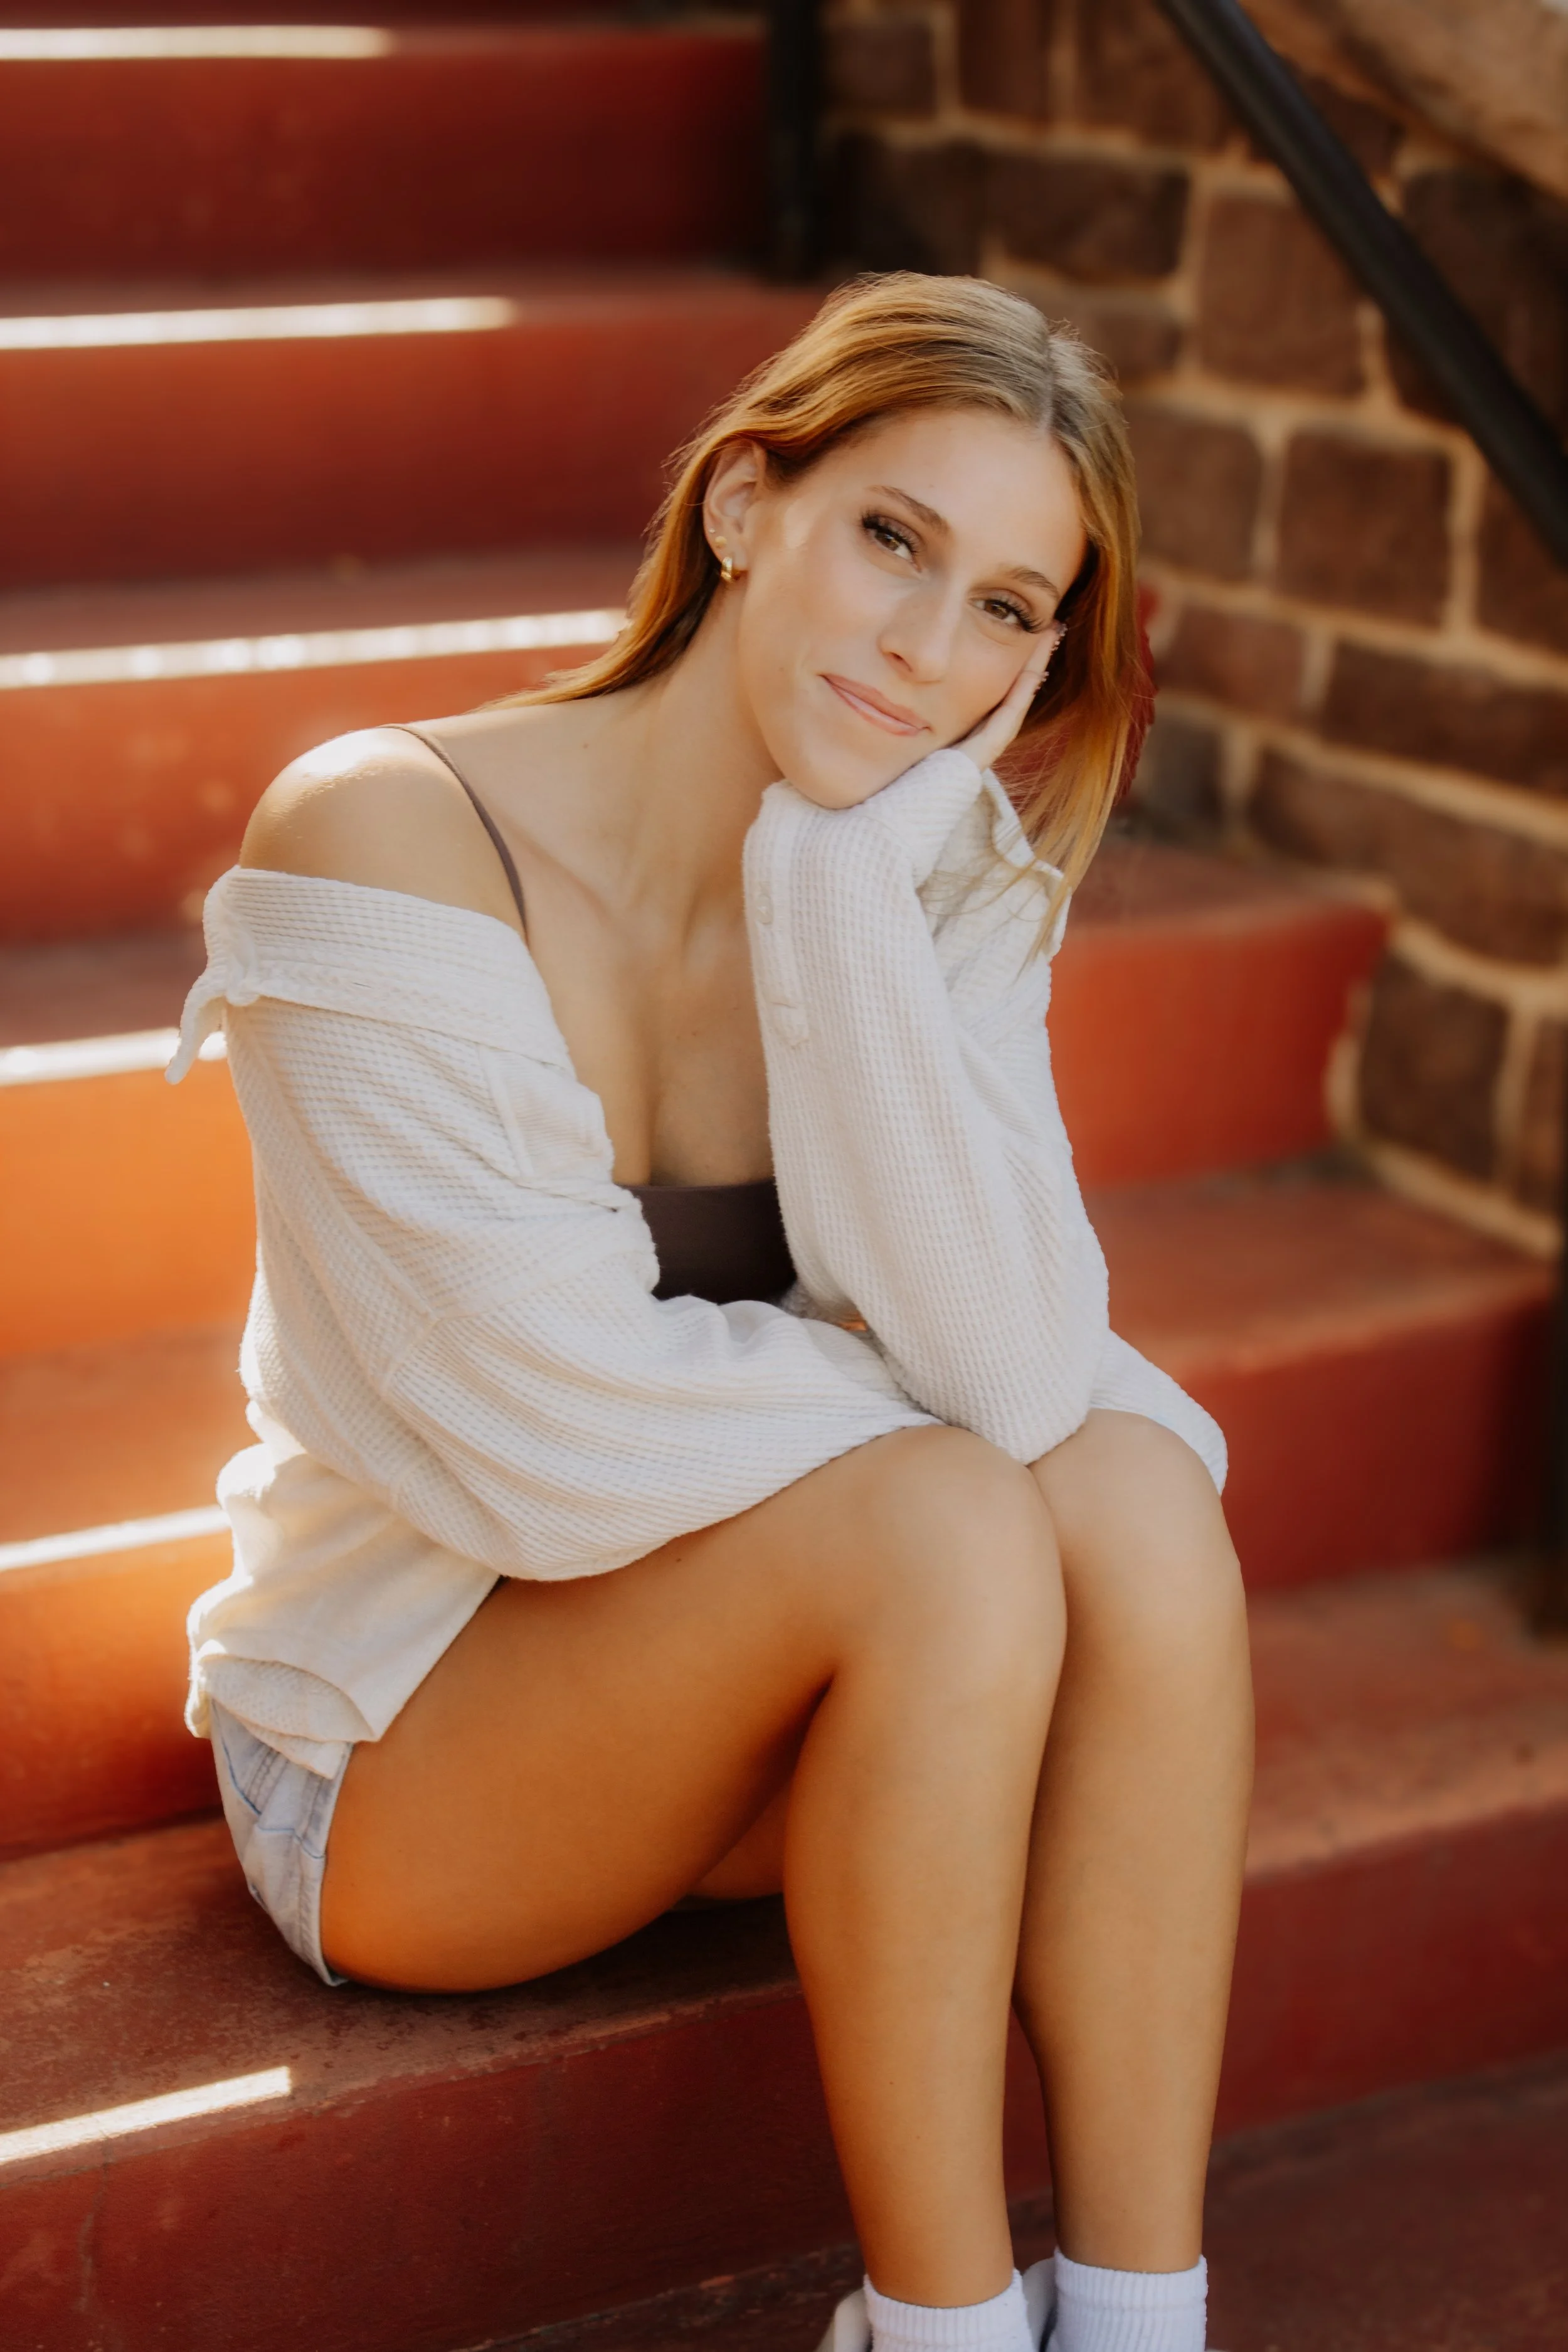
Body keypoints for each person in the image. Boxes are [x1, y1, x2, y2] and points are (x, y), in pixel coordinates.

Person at [167, 273, 1252, 2352]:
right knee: (959, 1510)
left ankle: (1138, 2317)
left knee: (1125, 1500)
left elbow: (1019, 1369)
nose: (928, 652)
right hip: (405, 1746)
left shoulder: (931, 867)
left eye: (1012, 611)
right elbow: (550, 1433)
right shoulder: (389, 833)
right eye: (892, 541)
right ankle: (929, 2327)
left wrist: (840, 884)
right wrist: (923, 1438)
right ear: (748, 506)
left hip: (806, 1709)